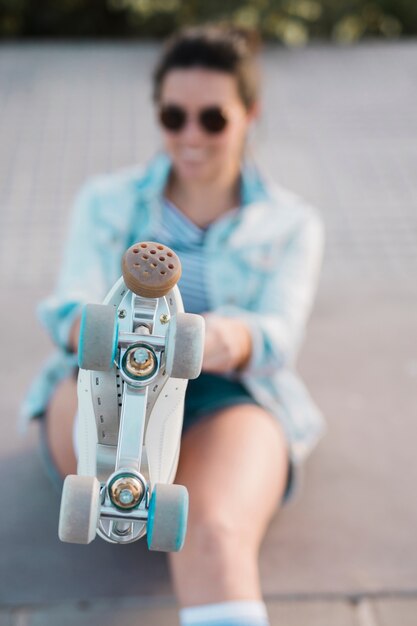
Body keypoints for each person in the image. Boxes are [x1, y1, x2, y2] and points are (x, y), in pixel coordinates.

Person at [21, 24, 325, 626]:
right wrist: (105, 330)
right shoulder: (104, 200)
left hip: (228, 388)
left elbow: (275, 336)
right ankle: (126, 486)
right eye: (173, 116)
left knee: (211, 529)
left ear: (249, 114)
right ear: (157, 113)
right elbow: (69, 310)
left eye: (212, 119)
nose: (191, 135)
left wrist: (214, 339)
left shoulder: (292, 223)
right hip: (104, 373)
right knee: (108, 479)